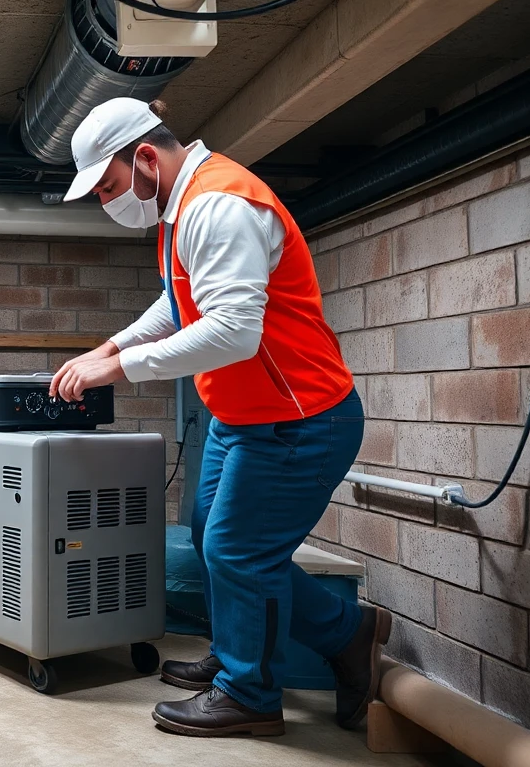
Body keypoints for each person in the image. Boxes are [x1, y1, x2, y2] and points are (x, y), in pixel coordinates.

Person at [49, 97, 391, 738]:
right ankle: (331, 636)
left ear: (144, 157)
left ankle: (249, 694)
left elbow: (234, 331)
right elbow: (178, 303)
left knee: (239, 552)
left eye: (108, 186)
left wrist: (118, 370)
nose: (105, 201)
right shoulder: (180, 206)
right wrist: (109, 347)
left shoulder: (218, 204)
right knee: (218, 544)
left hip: (298, 417)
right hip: (242, 416)